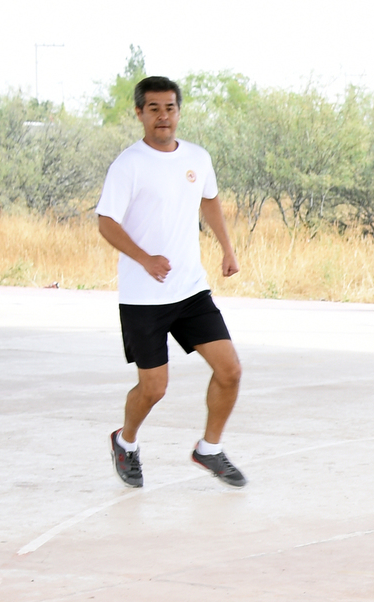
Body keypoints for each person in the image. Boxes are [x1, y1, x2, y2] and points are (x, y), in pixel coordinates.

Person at [97, 75, 245, 489]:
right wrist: (143, 259)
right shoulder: (128, 164)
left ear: (179, 111)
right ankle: (125, 442)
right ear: (140, 113)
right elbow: (106, 222)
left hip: (191, 290)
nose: (163, 116)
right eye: (154, 109)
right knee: (154, 388)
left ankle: (209, 450)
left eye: (170, 108)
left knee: (230, 369)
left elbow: (210, 201)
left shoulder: (197, 157)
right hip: (144, 298)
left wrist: (227, 249)